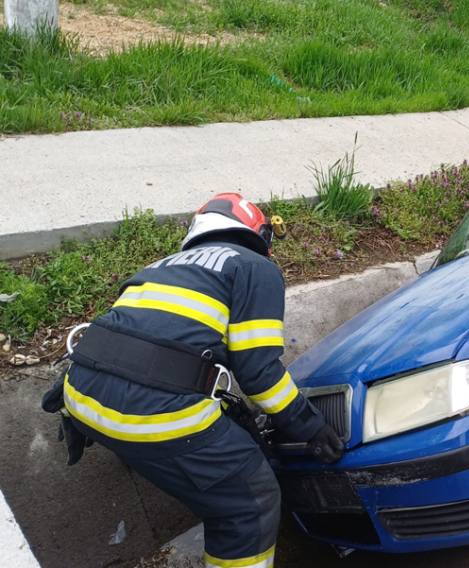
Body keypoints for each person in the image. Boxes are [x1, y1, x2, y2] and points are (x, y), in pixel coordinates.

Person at [41, 193, 344, 568]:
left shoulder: (155, 268)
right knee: (251, 502)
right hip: (155, 414)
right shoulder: (254, 267)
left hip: (80, 396)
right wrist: (311, 427)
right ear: (258, 235)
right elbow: (259, 372)